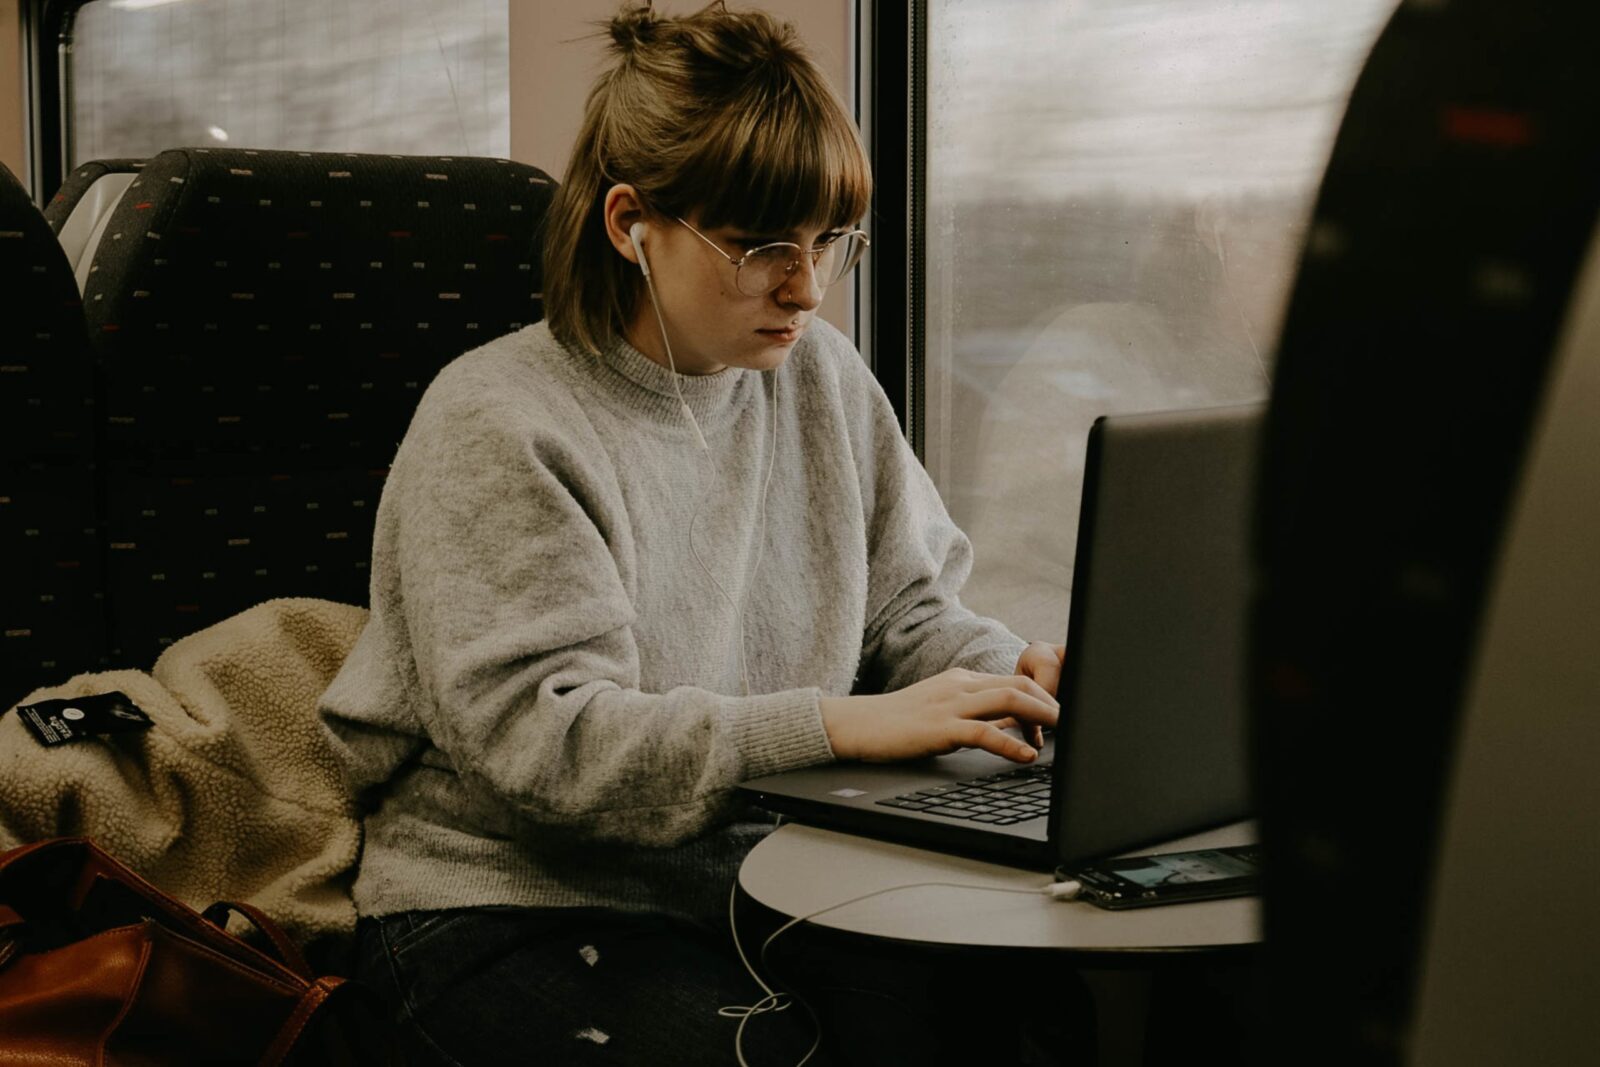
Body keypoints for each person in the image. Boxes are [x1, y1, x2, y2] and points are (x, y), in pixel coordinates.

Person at [319, 3, 1070, 1064]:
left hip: (750, 883)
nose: (805, 289)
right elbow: (554, 746)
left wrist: (1014, 684)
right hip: (507, 905)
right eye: (762, 246)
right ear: (631, 223)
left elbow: (910, 608)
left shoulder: (818, 378)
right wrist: (837, 726)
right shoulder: (499, 420)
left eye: (826, 243)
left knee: (1022, 1014)